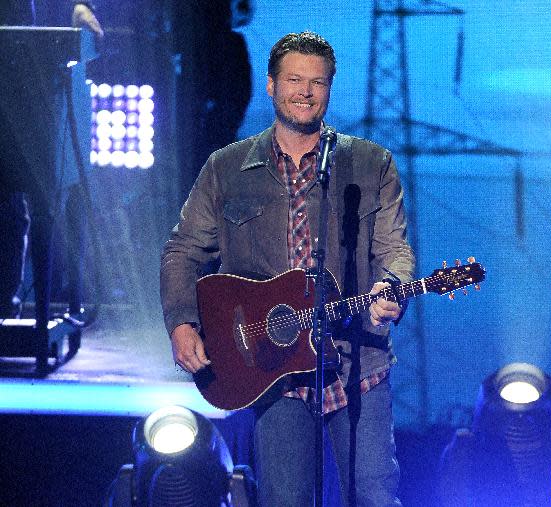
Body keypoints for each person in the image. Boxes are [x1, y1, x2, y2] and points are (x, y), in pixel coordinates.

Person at [160, 31, 415, 506]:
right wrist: (181, 322)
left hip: (357, 363)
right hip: (272, 370)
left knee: (375, 498)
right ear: (272, 86)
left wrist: (392, 288)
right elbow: (183, 251)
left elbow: (395, 251)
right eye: (295, 80)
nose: (306, 91)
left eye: (317, 83)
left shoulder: (370, 163)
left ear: (329, 90)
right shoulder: (227, 168)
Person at [0, 1, 102, 322]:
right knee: (13, 212)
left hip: (23, 109)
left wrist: (81, 10)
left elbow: (87, 33)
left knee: (15, 211)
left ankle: (6, 304)